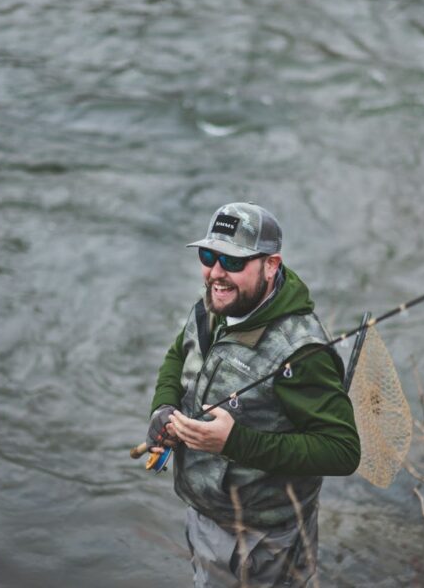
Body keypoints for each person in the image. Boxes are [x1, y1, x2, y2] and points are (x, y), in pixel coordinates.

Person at [146, 202, 360, 587]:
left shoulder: (302, 353)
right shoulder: (216, 302)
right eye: (208, 256)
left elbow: (343, 451)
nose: (215, 273)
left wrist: (235, 441)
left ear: (271, 265)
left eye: (232, 261)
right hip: (205, 511)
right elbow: (179, 354)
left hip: (262, 540)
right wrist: (163, 407)